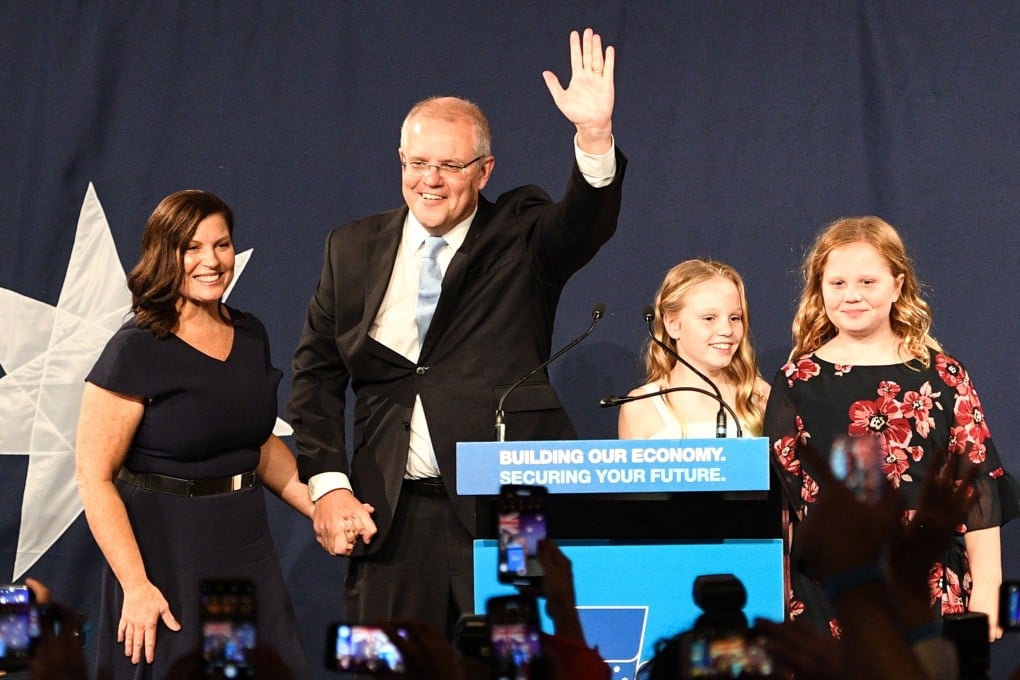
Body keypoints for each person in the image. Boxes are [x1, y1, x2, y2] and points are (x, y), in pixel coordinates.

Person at [286, 26, 625, 638]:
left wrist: (593, 137)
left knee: (517, 668)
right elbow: (315, 378)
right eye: (418, 163)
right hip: (386, 518)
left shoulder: (521, 232)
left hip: (510, 513)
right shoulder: (352, 247)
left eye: (450, 164)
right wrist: (328, 487)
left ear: (485, 169)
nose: (430, 180)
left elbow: (583, 223)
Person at [75, 190, 312, 679]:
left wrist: (323, 506)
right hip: (164, 559)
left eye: (222, 245)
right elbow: (93, 477)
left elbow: (256, 443)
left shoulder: (251, 334)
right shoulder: (136, 349)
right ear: (166, 255)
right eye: (192, 248)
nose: (212, 261)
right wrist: (136, 585)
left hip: (246, 548)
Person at [763, 216, 1020, 643]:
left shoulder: (943, 375)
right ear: (819, 289)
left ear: (898, 286)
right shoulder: (796, 382)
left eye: (867, 281)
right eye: (838, 283)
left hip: (928, 587)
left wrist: (989, 594)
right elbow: (784, 508)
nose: (852, 296)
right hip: (829, 595)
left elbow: (976, 491)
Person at [618, 258, 770, 439]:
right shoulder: (641, 406)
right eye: (709, 318)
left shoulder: (757, 395)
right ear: (673, 324)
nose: (727, 330)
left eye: (735, 318)